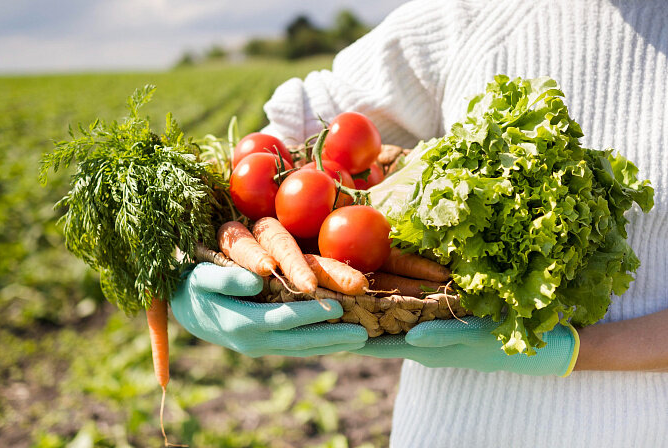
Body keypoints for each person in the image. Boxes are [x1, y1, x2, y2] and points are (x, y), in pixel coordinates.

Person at [172, 0, 668, 446]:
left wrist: (566, 350)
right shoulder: (472, 14)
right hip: (450, 431)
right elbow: (280, 146)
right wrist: (182, 265)